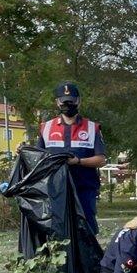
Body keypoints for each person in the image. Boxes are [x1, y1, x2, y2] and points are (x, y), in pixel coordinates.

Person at [36, 82, 107, 235]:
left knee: (86, 231)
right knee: (58, 231)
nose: (68, 104)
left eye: (71, 101)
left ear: (78, 101)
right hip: (55, 191)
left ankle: (88, 259)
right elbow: (37, 159)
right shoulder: (46, 127)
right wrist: (22, 152)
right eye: (64, 101)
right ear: (57, 102)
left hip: (84, 190)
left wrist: (79, 161)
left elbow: (101, 160)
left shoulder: (92, 127)